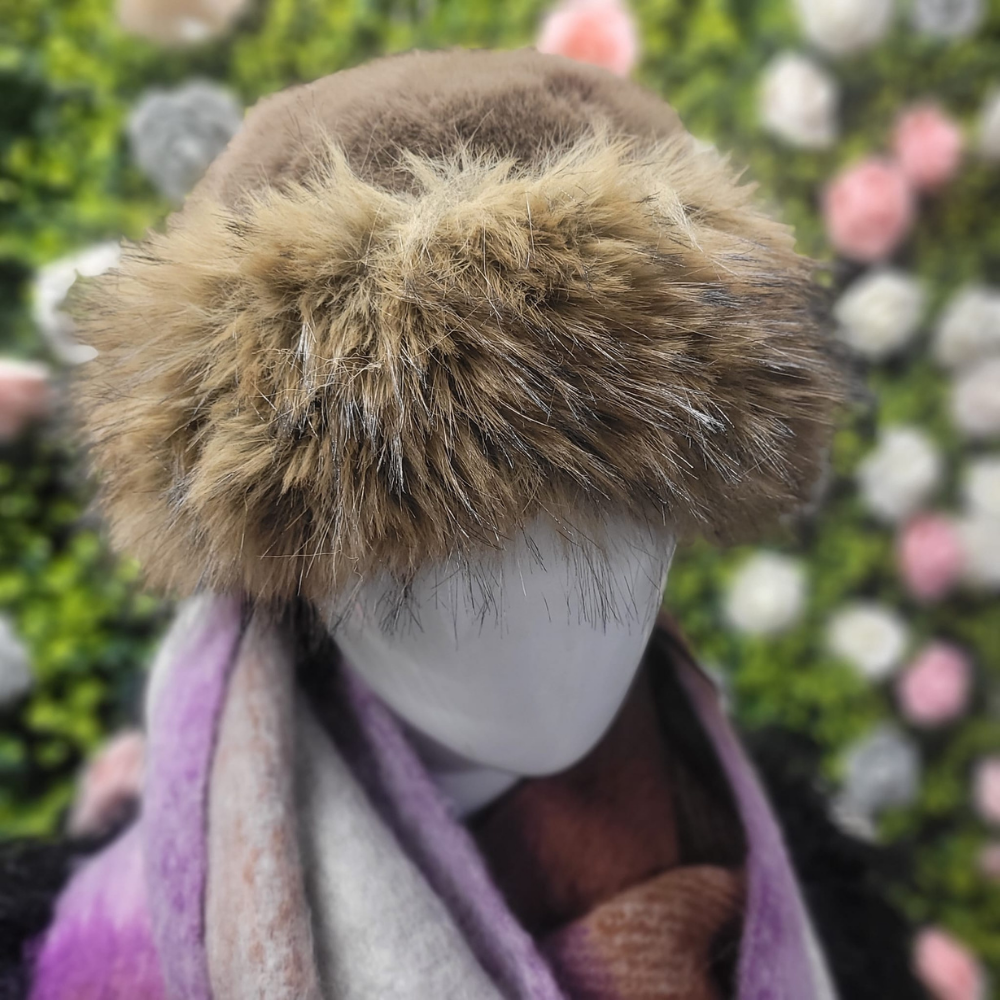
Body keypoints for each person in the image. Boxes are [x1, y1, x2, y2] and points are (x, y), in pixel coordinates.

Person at [4, 47, 924, 1000]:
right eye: (398, 493)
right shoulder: (99, 964)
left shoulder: (790, 869)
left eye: (614, 476)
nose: (528, 576)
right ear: (273, 533)